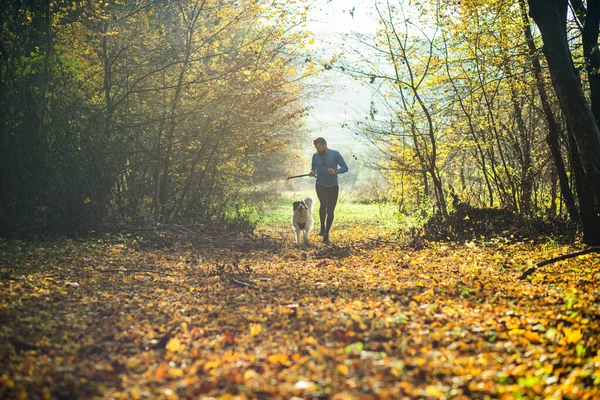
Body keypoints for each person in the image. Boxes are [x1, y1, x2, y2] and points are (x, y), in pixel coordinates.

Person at [309, 137, 348, 244]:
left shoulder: (335, 154)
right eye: (316, 148)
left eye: (319, 148)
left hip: (333, 186)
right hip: (320, 184)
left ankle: (326, 234)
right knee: (323, 204)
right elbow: (314, 168)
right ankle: (322, 226)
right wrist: (312, 172)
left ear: (324, 145)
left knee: (330, 211)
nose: (317, 150)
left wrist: (336, 171)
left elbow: (345, 167)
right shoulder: (315, 156)